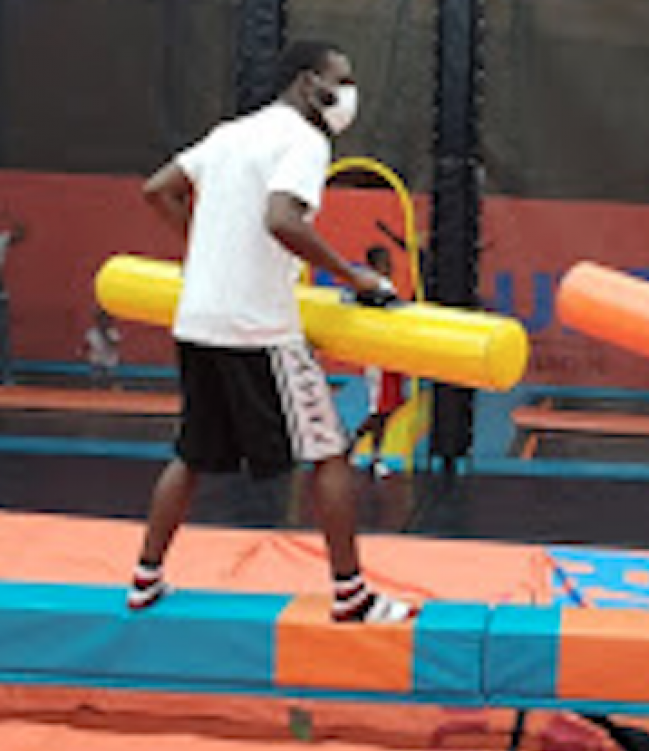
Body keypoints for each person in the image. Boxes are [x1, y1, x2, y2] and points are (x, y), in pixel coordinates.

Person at [129, 41, 416, 624]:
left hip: (199, 319)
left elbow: (157, 188)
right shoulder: (305, 141)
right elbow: (282, 218)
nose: (349, 93)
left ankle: (144, 579)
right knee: (329, 452)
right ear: (310, 83)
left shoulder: (230, 133)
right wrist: (353, 275)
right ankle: (351, 594)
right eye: (342, 79)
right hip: (257, 327)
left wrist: (208, 250)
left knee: (191, 454)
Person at [352, 245, 408, 480]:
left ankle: (353, 444)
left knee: (391, 406)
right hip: (377, 357)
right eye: (386, 261)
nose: (391, 265)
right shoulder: (372, 285)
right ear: (375, 264)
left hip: (390, 355)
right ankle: (373, 456)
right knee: (380, 410)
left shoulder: (386, 285)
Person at [82, 307, 121, 388]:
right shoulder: (92, 332)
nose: (103, 322)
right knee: (96, 379)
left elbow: (114, 344)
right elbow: (87, 344)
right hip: (96, 361)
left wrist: (105, 334)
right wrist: (81, 352)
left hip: (110, 362)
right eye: (101, 320)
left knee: (111, 380)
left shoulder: (113, 332)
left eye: (105, 320)